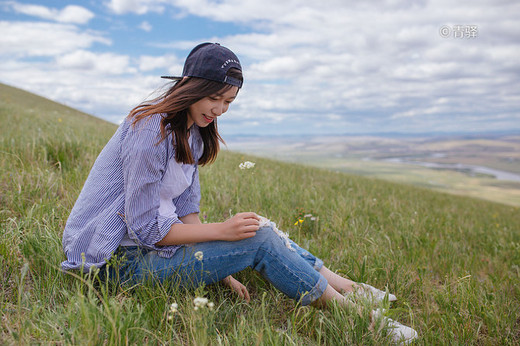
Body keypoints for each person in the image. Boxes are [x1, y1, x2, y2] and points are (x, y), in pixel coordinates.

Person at [61, 42, 417, 343]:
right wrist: (220, 234)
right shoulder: (150, 130)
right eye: (214, 98)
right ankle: (366, 322)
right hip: (112, 265)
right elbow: (145, 229)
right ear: (190, 85)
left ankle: (349, 287)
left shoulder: (193, 134)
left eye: (228, 102)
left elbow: (186, 205)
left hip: (146, 251)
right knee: (256, 241)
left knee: (257, 227)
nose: (219, 110)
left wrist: (217, 263)